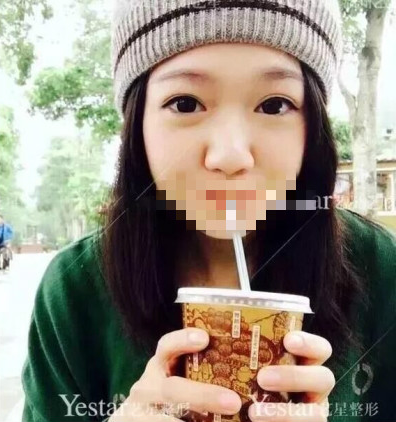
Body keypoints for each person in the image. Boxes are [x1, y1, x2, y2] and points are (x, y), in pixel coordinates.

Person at [21, 1, 396, 422]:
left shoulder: (381, 269)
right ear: (137, 123)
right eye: (185, 103)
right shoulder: (74, 290)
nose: (230, 156)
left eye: (274, 105)